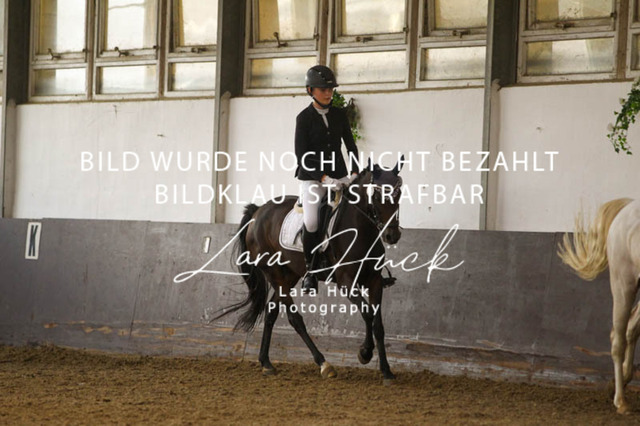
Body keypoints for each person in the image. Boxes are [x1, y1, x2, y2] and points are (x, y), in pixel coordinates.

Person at [294, 65, 359, 293]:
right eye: (323, 90)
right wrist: (324, 179)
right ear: (310, 90)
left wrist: (354, 173)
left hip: (340, 175)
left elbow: (351, 147)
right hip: (313, 178)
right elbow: (302, 156)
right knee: (312, 221)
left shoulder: (339, 115)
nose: (328, 93)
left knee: (359, 212)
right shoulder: (303, 118)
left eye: (330, 89)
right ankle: (310, 272)